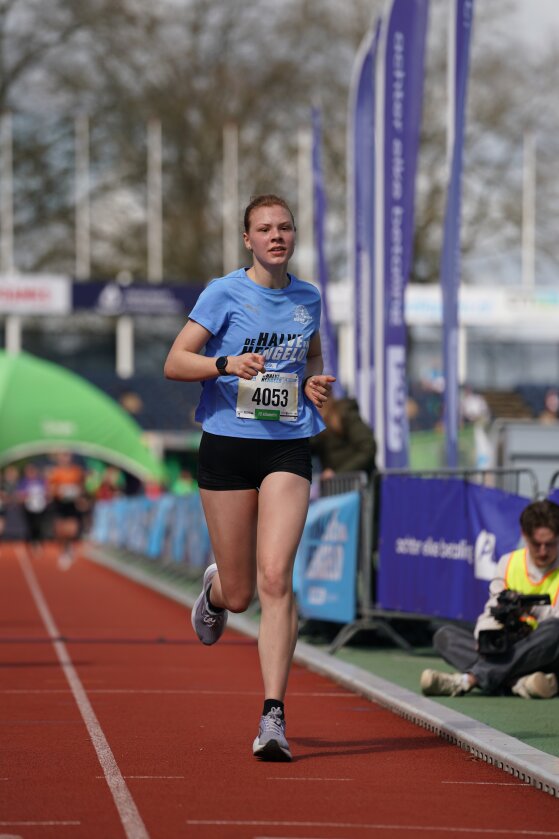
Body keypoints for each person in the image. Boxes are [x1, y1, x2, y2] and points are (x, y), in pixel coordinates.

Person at [164, 193, 335, 761]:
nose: (276, 236)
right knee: (240, 595)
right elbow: (175, 362)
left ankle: (273, 717)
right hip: (228, 447)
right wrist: (225, 364)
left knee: (276, 577)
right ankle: (215, 590)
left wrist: (311, 382)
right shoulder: (223, 293)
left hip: (288, 445)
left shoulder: (309, 297)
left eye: (284, 227)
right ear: (248, 239)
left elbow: (311, 356)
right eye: (264, 229)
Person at [420, 499, 559, 700]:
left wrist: (527, 608)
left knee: (556, 631)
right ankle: (518, 682)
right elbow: (492, 610)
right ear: (524, 535)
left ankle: (469, 680)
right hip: (510, 647)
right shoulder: (508, 562)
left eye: (550, 544)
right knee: (445, 637)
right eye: (537, 544)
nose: (543, 551)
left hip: (546, 650)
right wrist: (483, 636)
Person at [310, 396, 376, 481]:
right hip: (337, 484)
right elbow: (309, 446)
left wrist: (338, 474)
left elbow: (368, 448)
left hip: (358, 482)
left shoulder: (345, 413)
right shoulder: (319, 424)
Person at [47, 451, 87, 570]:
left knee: (72, 530)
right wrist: (58, 492)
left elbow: (81, 486)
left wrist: (80, 497)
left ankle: (69, 548)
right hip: (60, 504)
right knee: (60, 531)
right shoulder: (55, 472)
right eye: (62, 456)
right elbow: (51, 489)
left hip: (72, 505)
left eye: (67, 456)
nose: (65, 459)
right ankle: (64, 549)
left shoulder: (76, 471)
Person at [16, 462, 49, 551]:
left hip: (40, 507)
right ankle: (31, 542)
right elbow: (20, 495)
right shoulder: (24, 481)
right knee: (30, 525)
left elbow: (47, 492)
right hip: (28, 508)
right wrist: (27, 496)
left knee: (39, 525)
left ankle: (38, 542)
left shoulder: (41, 481)